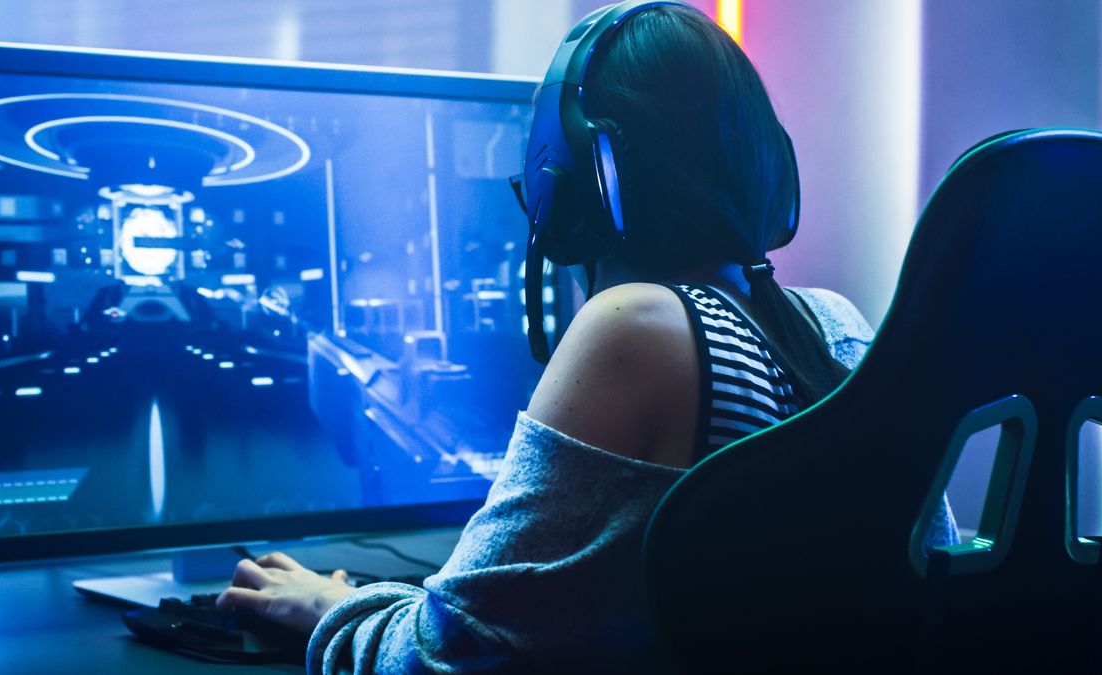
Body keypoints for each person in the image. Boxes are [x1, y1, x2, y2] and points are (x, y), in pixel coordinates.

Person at [217, 3, 959, 672]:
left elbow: (451, 654)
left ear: (568, 180)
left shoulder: (635, 323)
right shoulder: (836, 327)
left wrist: (322, 605)